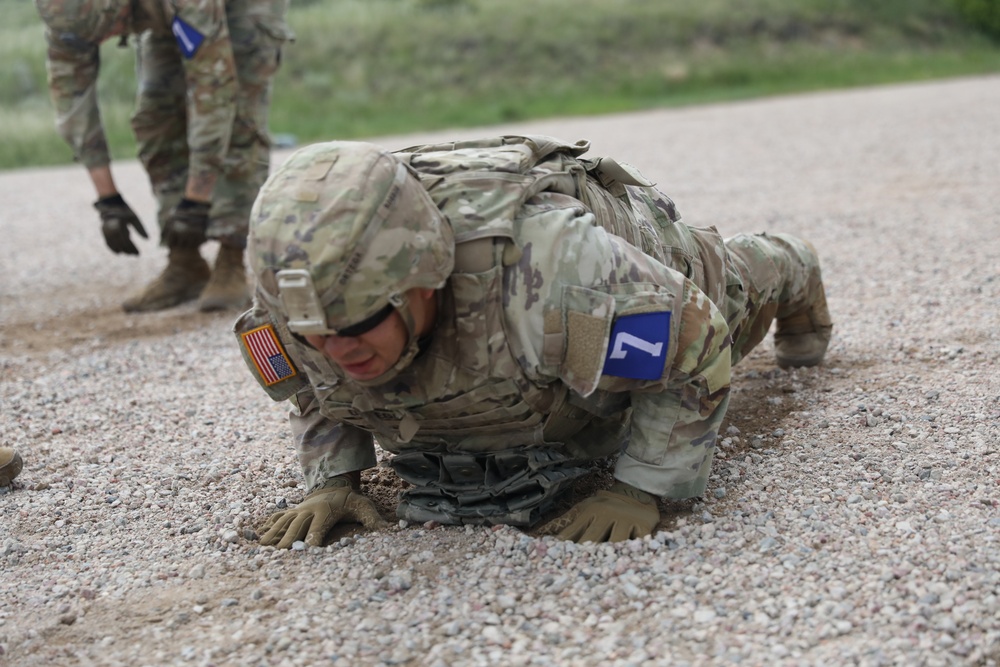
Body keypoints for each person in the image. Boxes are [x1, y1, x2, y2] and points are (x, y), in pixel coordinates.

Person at [234, 135, 834, 547]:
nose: (337, 350)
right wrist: (334, 480)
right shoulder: (298, 301)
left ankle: (795, 263)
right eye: (314, 334)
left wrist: (641, 488)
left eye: (361, 324)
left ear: (423, 280)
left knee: (731, 280)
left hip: (642, 264)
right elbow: (315, 388)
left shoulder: (547, 270)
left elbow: (695, 344)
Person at [35, 0, 293, 312]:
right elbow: (73, 109)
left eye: (107, 32)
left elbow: (214, 96)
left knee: (238, 119)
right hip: (162, 12)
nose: (102, 42)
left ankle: (231, 259)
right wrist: (108, 201)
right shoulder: (65, 18)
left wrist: (196, 202)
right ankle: (185, 261)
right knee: (155, 117)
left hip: (240, 8)